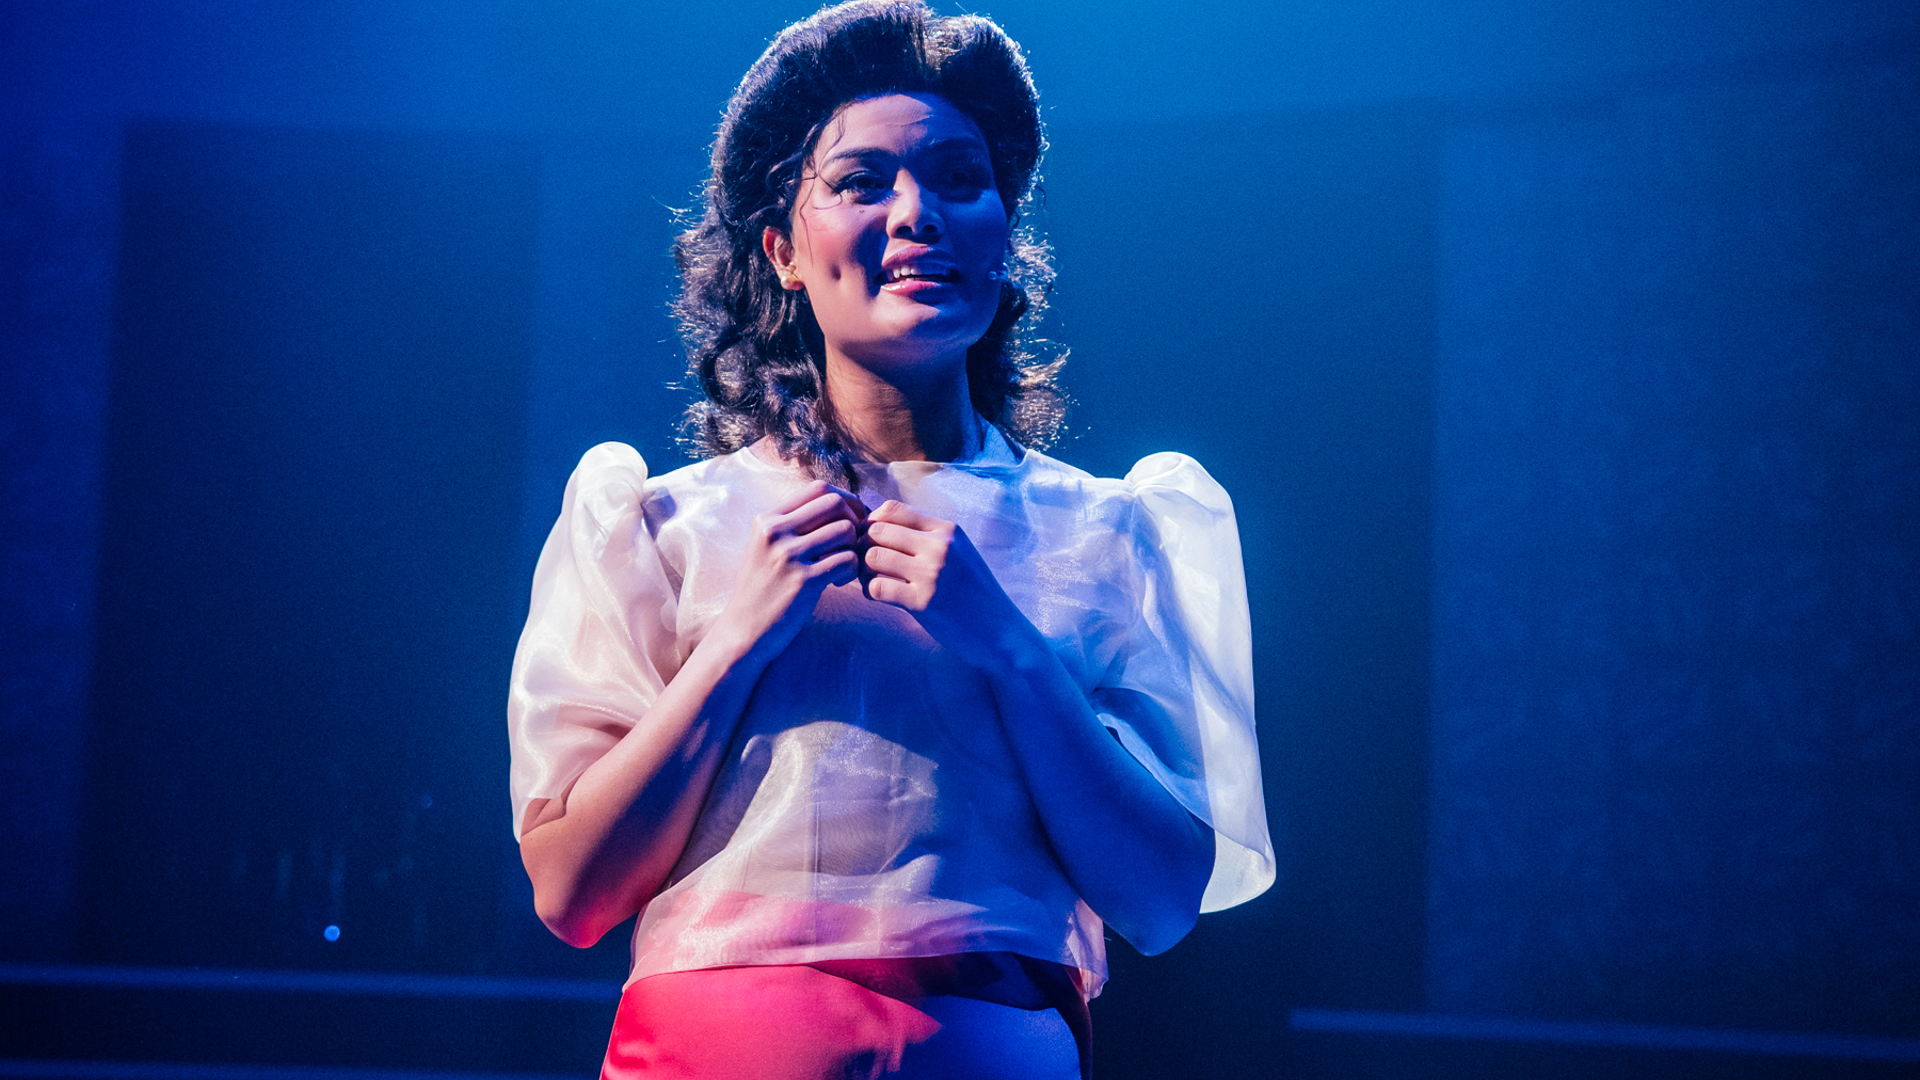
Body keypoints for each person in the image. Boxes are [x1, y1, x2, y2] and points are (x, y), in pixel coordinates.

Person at [507, 2, 1273, 1076]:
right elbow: (572, 893)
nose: (918, 213)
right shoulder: (659, 526)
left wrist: (1007, 645)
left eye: (960, 179)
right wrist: (733, 646)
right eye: (862, 182)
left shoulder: (1110, 533)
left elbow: (1158, 902)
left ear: (1004, 235)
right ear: (783, 249)